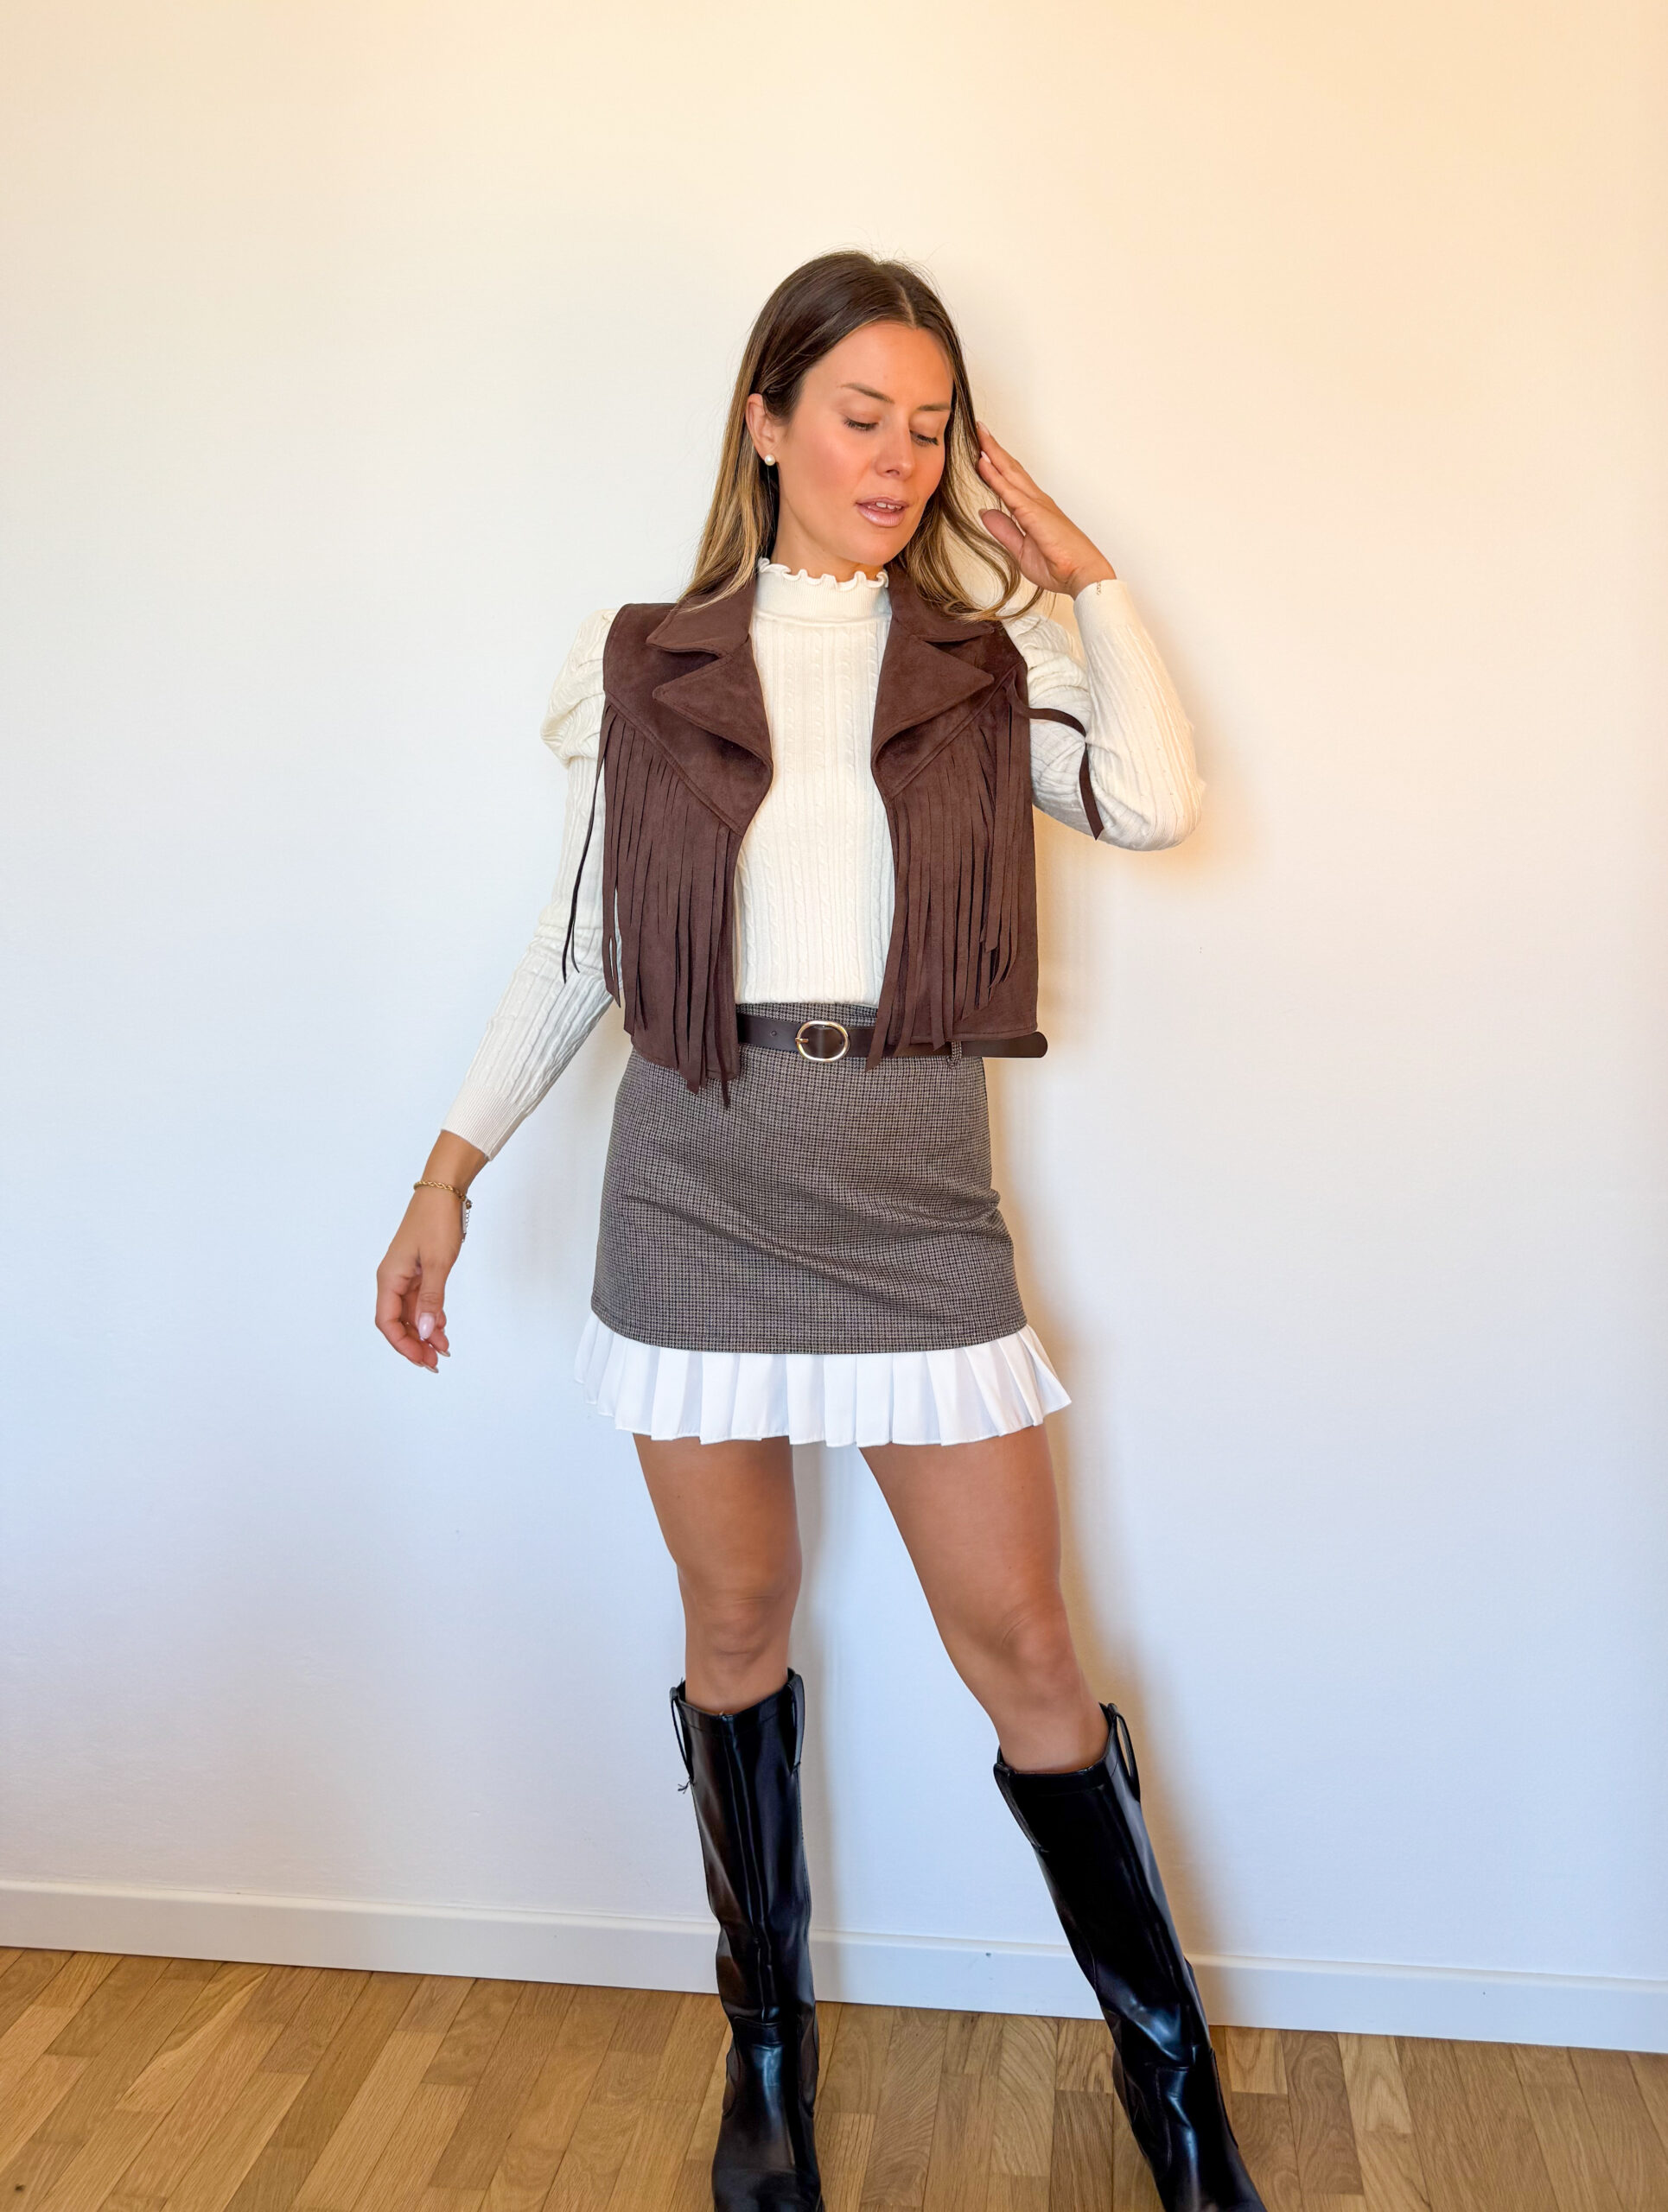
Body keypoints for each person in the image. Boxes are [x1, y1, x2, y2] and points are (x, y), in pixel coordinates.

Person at [375, 251, 1264, 2212]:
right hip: (693, 1188)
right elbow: (581, 948)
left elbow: (1151, 800)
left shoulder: (985, 661)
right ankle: (764, 2063)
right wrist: (447, 1174)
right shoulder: (647, 660)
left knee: (1024, 1644)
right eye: (860, 415)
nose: (896, 457)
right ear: (766, 421)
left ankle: (1178, 2108)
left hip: (913, 1204)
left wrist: (1085, 576)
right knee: (735, 1626)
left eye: (929, 427)